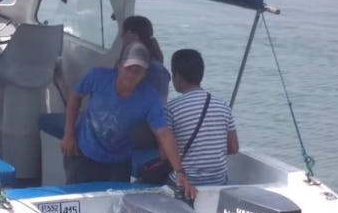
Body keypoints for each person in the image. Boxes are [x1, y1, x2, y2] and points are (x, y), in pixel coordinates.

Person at [61, 42, 197, 200]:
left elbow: (164, 134)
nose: (132, 75)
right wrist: (68, 133)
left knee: (116, 207)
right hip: (84, 154)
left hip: (118, 163)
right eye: (129, 68)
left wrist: (180, 172)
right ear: (119, 65)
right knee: (74, 201)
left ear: (144, 73)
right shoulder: (96, 76)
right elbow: (75, 97)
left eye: (138, 70)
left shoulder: (149, 97)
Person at [166, 49, 239, 186]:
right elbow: (233, 147)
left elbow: (165, 154)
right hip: (219, 180)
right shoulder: (223, 106)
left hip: (186, 182)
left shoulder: (171, 109)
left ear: (177, 76)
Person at [119, 15, 171, 147]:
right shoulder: (159, 68)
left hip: (138, 132)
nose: (121, 37)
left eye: (123, 33)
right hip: (156, 132)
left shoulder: (140, 68)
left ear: (132, 34)